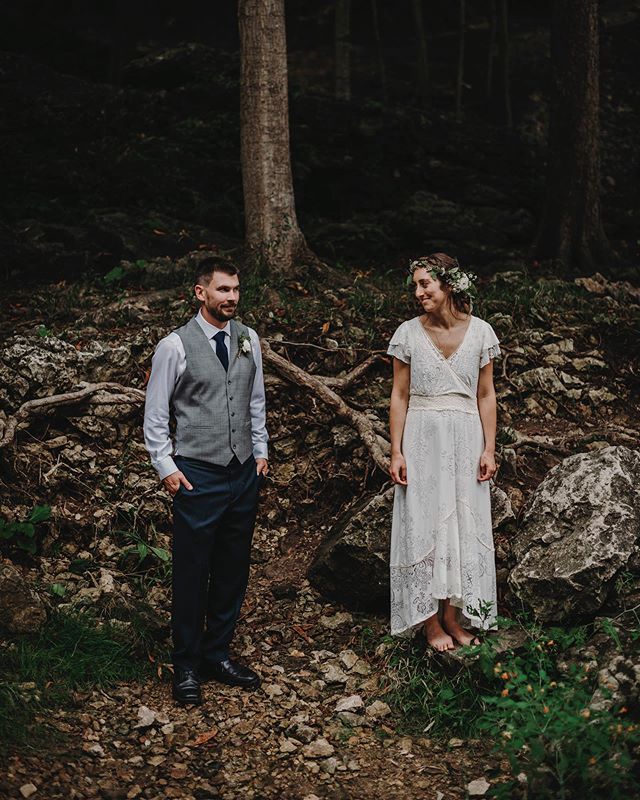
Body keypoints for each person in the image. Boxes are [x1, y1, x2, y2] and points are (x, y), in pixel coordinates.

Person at [144, 256, 269, 704]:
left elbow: (255, 400)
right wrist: (168, 470)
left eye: (235, 290)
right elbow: (156, 415)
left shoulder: (249, 339)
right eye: (223, 290)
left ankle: (218, 654)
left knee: (233, 569)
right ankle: (186, 666)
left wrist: (261, 452)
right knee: (192, 572)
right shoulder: (174, 346)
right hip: (196, 474)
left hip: (242, 473)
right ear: (201, 293)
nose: (231, 298)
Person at [388, 253, 499, 652]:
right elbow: (399, 396)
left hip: (466, 438)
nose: (418, 293)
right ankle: (430, 622)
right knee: (425, 522)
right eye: (415, 285)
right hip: (422, 436)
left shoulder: (482, 332)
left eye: (425, 284)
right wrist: (396, 451)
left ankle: (454, 615)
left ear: (448, 285)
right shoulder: (408, 333)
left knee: (462, 523)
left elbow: (486, 394)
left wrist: (489, 447)